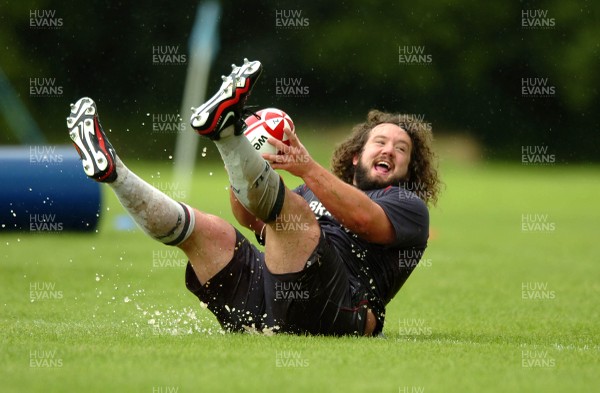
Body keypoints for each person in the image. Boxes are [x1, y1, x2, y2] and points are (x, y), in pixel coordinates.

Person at [66, 58, 440, 336]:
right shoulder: (311, 191)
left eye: (401, 149)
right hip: (270, 302)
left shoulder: (408, 205)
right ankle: (116, 174)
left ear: (411, 167)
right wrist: (248, 166)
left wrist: (305, 167)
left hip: (340, 309)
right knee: (210, 230)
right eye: (381, 141)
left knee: (289, 214)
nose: (389, 150)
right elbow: (252, 220)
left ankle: (227, 135)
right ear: (357, 155)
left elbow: (364, 220)